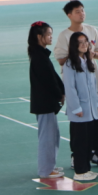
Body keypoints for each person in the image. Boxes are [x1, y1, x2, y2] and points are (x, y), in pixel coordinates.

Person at [54, 0, 98, 167]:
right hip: (77, 85)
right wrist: (77, 54)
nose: (82, 14)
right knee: (78, 123)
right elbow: (60, 59)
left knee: (96, 119)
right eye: (77, 11)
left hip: (94, 83)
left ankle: (95, 151)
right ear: (69, 15)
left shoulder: (91, 30)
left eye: (83, 10)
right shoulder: (64, 36)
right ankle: (76, 154)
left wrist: (93, 55)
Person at [27, 21, 65, 180]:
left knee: (53, 135)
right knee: (47, 138)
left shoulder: (41, 54)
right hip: (44, 104)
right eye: (48, 34)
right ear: (39, 36)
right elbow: (49, 81)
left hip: (47, 104)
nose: (51, 37)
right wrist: (60, 94)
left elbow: (53, 77)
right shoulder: (39, 57)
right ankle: (45, 170)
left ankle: (50, 165)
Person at [62, 31, 98, 182]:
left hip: (90, 110)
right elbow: (70, 88)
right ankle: (80, 171)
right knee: (79, 142)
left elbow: (93, 85)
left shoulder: (88, 61)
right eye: (80, 42)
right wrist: (76, 108)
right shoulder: (69, 64)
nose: (84, 45)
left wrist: (96, 103)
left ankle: (86, 169)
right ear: (74, 45)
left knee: (88, 141)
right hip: (79, 111)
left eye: (86, 41)